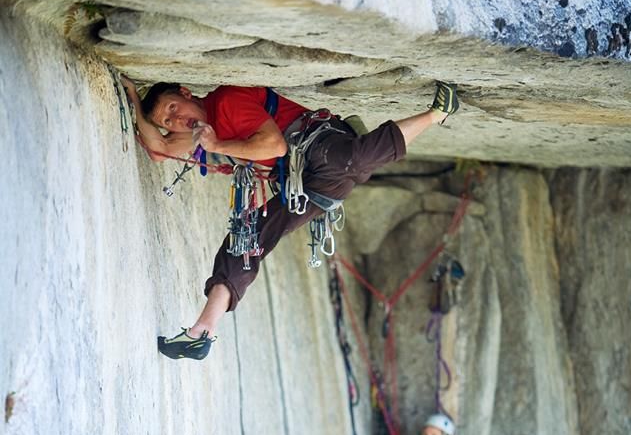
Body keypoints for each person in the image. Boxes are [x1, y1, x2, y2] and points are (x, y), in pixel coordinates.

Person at [121, 77, 460, 361]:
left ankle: (437, 114)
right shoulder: (200, 131)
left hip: (317, 144)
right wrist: (136, 101)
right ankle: (202, 331)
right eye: (169, 122)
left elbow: (275, 146)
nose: (177, 121)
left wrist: (218, 142)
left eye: (174, 109)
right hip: (308, 183)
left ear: (185, 93)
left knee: (352, 160)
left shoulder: (225, 101)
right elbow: (158, 149)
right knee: (247, 239)